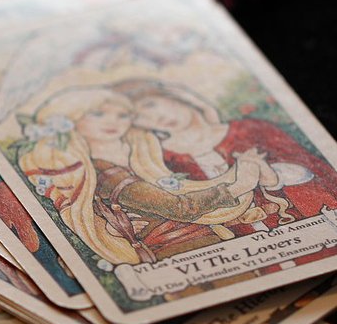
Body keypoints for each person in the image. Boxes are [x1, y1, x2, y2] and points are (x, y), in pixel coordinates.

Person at [16, 87, 267, 264]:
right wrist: (239, 185)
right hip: (179, 252)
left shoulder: (140, 153)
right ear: (71, 119)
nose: (113, 121)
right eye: (98, 114)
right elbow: (179, 207)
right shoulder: (103, 171)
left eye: (122, 115)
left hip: (207, 243)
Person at [114, 78, 337, 238]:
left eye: (150, 105)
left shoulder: (252, 129)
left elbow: (322, 177)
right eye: (138, 117)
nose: (154, 117)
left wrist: (272, 177)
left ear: (175, 96)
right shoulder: (161, 162)